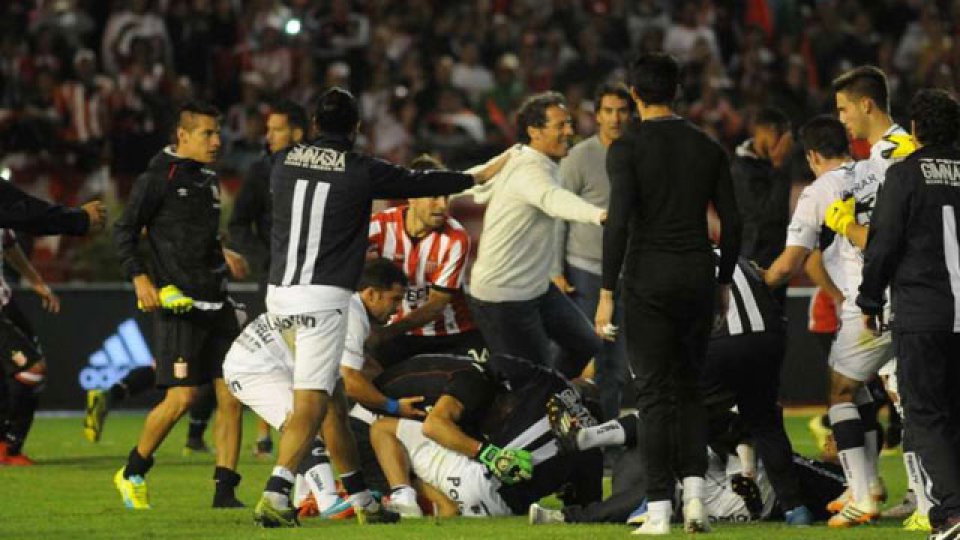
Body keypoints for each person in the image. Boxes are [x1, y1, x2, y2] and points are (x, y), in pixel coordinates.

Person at [256, 86, 509, 527]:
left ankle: (361, 498)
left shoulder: (282, 161)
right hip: (324, 298)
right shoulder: (358, 169)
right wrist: (475, 177)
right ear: (356, 129)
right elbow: (417, 182)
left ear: (315, 125)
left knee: (333, 397)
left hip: (279, 291)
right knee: (313, 399)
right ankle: (277, 493)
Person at [597, 52, 741, 535]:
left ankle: (659, 509)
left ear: (634, 95)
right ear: (676, 91)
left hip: (648, 280)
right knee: (691, 390)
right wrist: (723, 283)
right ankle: (697, 502)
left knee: (655, 396)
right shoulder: (707, 147)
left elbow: (617, 223)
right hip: (698, 275)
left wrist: (604, 291)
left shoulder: (626, 147)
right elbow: (733, 222)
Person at [112, 101, 250, 510]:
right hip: (180, 305)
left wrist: (223, 251)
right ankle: (133, 470)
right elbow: (125, 230)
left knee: (232, 396)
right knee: (182, 399)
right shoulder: (157, 178)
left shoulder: (209, 179)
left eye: (218, 132)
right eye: (207, 133)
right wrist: (140, 277)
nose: (216, 141)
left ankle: (225, 490)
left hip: (217, 301)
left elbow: (196, 235)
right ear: (183, 135)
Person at [224, 258, 416, 520]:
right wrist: (393, 406)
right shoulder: (350, 313)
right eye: (394, 299)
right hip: (255, 369)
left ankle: (358, 501)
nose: (397, 309)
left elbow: (357, 368)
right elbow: (352, 380)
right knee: (306, 425)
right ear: (371, 293)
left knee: (336, 415)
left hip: (278, 362)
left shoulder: (342, 301)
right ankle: (325, 503)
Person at [857, 88, 960, 540]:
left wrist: (869, 299)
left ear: (915, 130)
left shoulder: (905, 175)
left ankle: (953, 514)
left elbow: (883, 244)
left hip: (924, 313)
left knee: (925, 415)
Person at [818, 66, 912, 527]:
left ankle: (866, 493)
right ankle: (920, 494)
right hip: (905, 293)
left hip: (894, 296)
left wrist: (849, 226)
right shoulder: (887, 153)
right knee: (906, 396)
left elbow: (894, 235)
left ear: (866, 105)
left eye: (843, 109)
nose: (842, 120)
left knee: (846, 387)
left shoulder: (896, 155)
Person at [465, 91, 606, 379]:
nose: (569, 130)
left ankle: (551, 396)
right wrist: (600, 215)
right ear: (534, 132)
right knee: (533, 380)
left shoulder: (522, 157)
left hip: (536, 288)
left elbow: (478, 186)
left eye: (569, 123)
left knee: (585, 343)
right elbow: (553, 199)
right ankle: (538, 405)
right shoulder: (530, 170)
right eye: (560, 126)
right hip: (504, 298)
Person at [367, 353, 602, 518]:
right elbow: (587, 505)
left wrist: (488, 453)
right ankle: (445, 506)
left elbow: (432, 427)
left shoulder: (540, 384)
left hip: (477, 480)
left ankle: (404, 498)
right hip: (503, 510)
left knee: (383, 429)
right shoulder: (595, 448)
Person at [227, 99, 308, 457]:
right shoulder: (261, 171)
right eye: (269, 128)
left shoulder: (319, 169)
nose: (268, 135)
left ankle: (304, 423)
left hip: (315, 277)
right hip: (276, 279)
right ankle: (266, 430)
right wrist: (264, 260)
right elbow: (238, 224)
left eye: (276, 129)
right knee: (277, 350)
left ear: (298, 133)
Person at [551, 83, 631, 421]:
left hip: (628, 274)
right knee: (580, 356)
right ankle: (557, 426)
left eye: (622, 110)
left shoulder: (638, 153)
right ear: (597, 116)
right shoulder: (579, 157)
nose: (615, 118)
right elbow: (558, 214)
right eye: (608, 111)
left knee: (615, 364)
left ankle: (607, 437)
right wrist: (555, 269)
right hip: (584, 273)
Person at [366, 154, 486, 367]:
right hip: (400, 335)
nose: (442, 206)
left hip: (452, 334)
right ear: (411, 197)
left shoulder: (456, 237)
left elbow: (436, 305)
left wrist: (385, 333)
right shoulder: (378, 227)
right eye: (433, 197)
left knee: (487, 385)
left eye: (446, 198)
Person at [0, 230, 60, 465]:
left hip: (6, 304)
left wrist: (38, 284)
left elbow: (11, 248)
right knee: (33, 369)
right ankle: (7, 446)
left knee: (24, 375)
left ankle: (8, 446)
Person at [731, 106, 793, 272]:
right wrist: (779, 168)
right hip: (754, 257)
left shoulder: (775, 164)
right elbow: (767, 215)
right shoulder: (742, 169)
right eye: (780, 135)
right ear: (765, 131)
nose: (783, 144)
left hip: (777, 255)